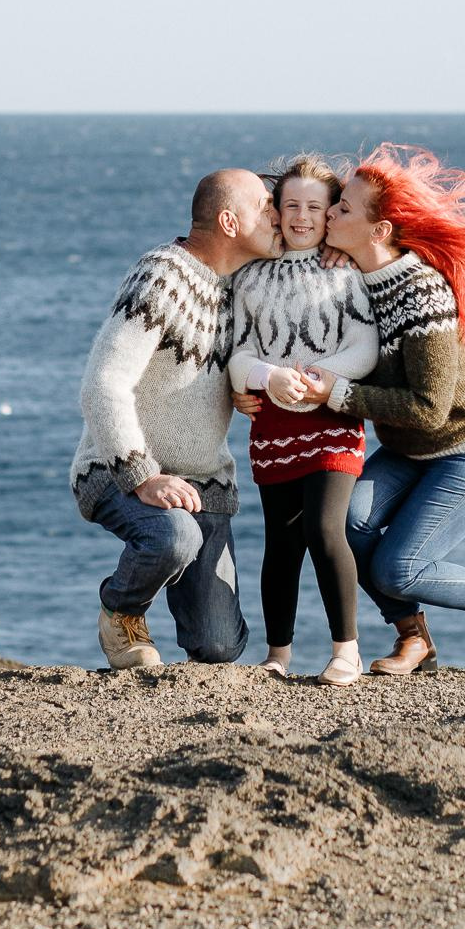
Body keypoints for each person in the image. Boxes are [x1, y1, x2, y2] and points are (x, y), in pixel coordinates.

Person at [266, 143, 465, 674]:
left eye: (343, 209)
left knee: (401, 568)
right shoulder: (354, 274)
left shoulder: (420, 294)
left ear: (379, 232)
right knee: (346, 526)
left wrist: (335, 392)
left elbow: (428, 408)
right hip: (408, 447)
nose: (329, 212)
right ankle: (413, 637)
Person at [70, 168, 278, 669]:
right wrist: (143, 476)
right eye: (266, 206)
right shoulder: (162, 274)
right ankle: (121, 610)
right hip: (119, 471)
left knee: (218, 648)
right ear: (230, 221)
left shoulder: (248, 284)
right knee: (172, 536)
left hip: (206, 486)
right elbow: (104, 381)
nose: (277, 216)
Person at [225, 154, 379, 685]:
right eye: (290, 205)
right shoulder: (249, 277)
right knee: (281, 541)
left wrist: (319, 380)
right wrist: (266, 377)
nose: (302, 217)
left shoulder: (347, 270)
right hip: (273, 424)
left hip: (331, 415)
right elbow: (237, 355)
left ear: (330, 211)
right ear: (277, 210)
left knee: (322, 528)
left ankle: (346, 651)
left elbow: (365, 346)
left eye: (314, 206)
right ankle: (279, 655)